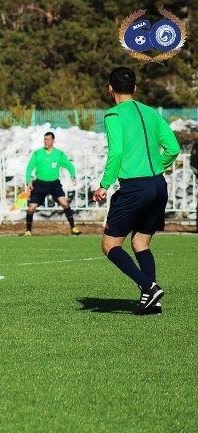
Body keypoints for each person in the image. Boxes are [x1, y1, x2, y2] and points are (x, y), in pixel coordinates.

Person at [92, 67, 180, 316]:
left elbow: (117, 152)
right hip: (158, 185)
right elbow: (173, 148)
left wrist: (104, 184)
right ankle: (152, 302)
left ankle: (149, 287)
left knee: (110, 245)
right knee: (141, 242)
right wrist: (154, 167)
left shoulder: (113, 115)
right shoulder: (152, 113)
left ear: (110, 88)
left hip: (135, 188)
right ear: (135, 88)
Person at [23, 131, 81, 236]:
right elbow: (29, 168)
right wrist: (29, 181)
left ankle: (73, 228)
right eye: (45, 139)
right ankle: (28, 231)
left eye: (48, 139)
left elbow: (69, 165)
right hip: (40, 184)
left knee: (65, 203)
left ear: (53, 140)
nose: (46, 141)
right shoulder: (38, 153)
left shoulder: (59, 154)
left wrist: (73, 175)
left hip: (54, 184)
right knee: (31, 208)